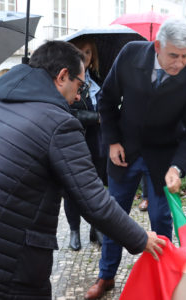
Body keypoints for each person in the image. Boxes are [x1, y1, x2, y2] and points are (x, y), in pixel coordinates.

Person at [0, 41, 165, 300]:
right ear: (62, 76)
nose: (78, 96)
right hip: (3, 261)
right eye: (80, 86)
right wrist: (141, 238)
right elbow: (94, 201)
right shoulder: (59, 123)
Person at [85, 18, 186, 300]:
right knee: (114, 218)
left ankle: (160, 280)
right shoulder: (130, 54)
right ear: (157, 47)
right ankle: (106, 276)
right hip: (124, 152)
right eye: (173, 56)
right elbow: (106, 99)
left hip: (163, 158)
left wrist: (177, 167)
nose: (179, 63)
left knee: (161, 222)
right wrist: (112, 140)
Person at [65, 36, 106, 251]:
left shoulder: (98, 78)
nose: (84, 56)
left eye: (88, 52)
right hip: (75, 142)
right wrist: (96, 117)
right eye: (80, 51)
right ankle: (74, 229)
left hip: (96, 142)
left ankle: (95, 227)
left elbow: (104, 106)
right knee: (72, 189)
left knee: (96, 187)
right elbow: (69, 112)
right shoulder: (67, 80)